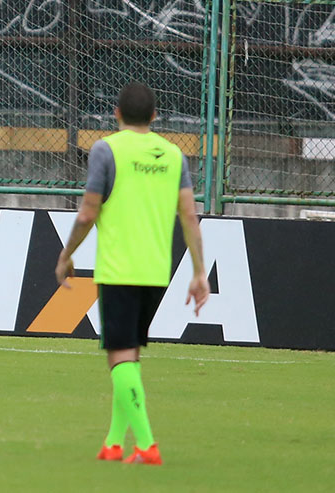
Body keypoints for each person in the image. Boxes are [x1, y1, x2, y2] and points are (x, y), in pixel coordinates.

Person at [54, 82, 210, 465]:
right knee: (129, 356)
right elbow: (189, 215)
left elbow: (89, 210)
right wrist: (199, 272)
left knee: (120, 357)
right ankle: (112, 443)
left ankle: (146, 444)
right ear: (155, 116)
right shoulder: (174, 155)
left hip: (119, 269)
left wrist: (66, 254)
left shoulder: (107, 149)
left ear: (116, 113)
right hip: (157, 271)